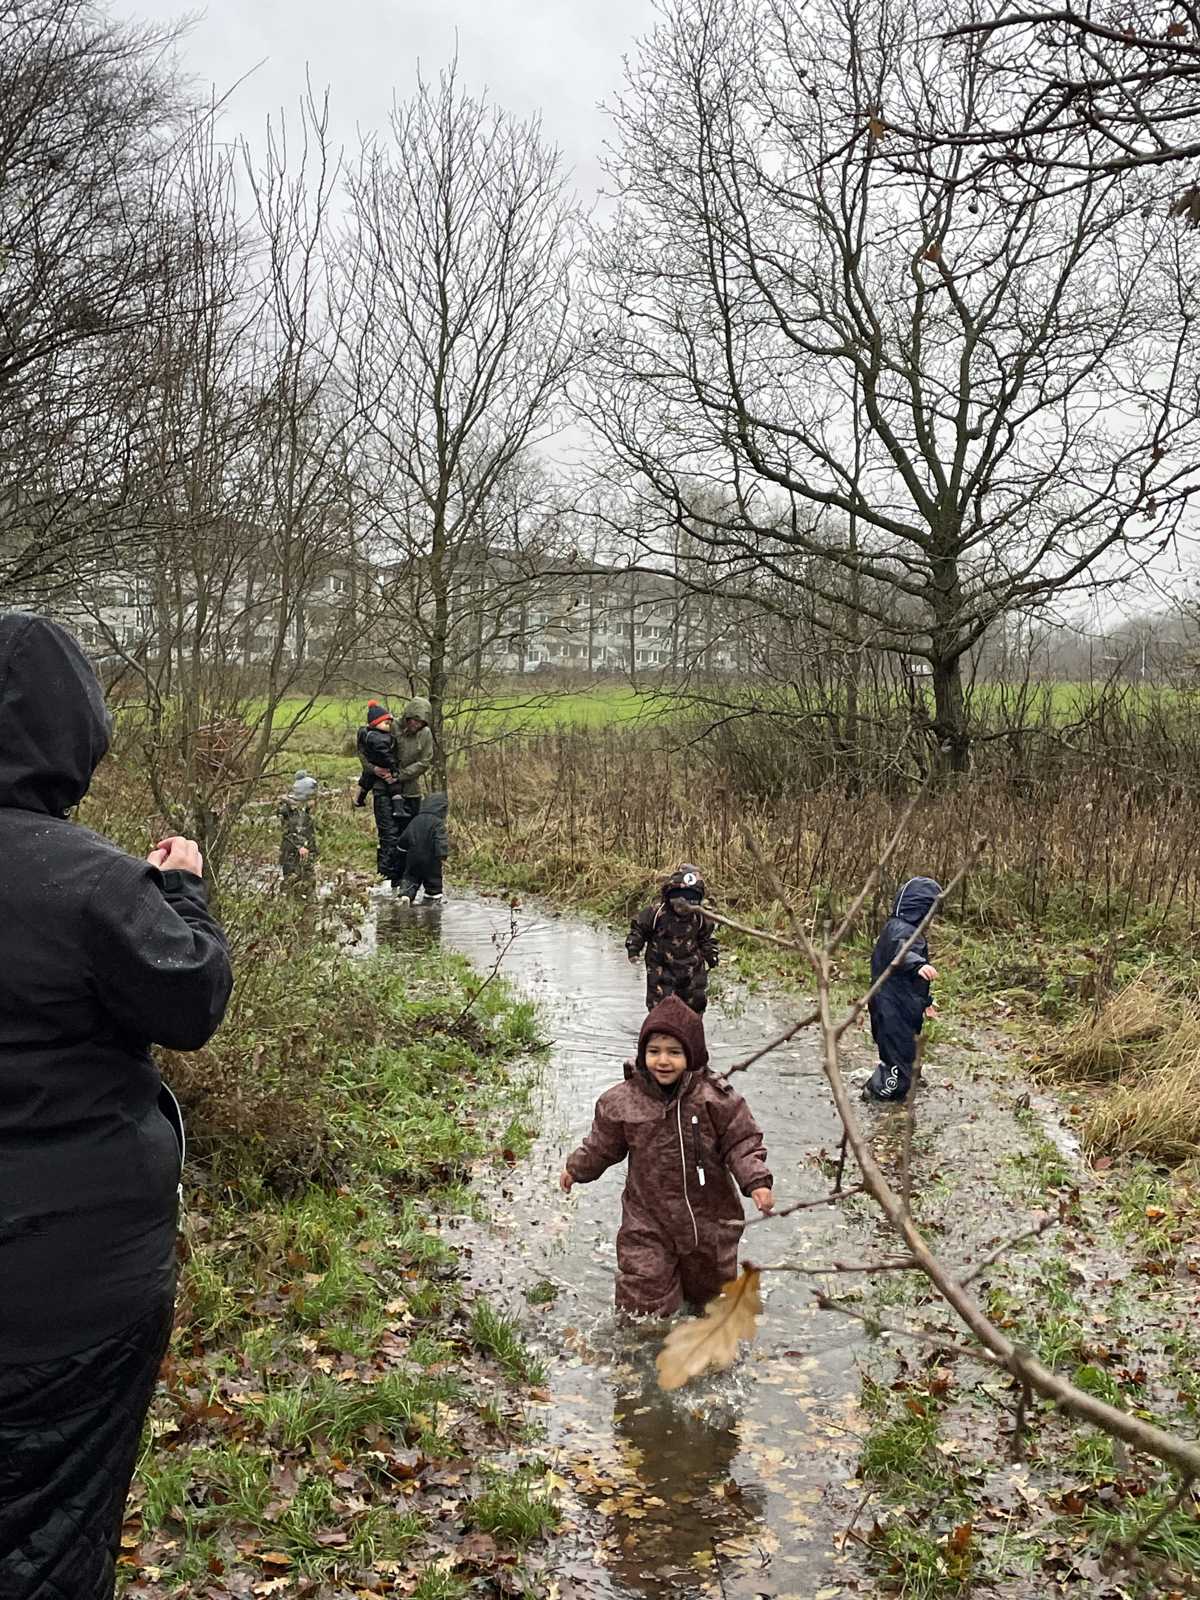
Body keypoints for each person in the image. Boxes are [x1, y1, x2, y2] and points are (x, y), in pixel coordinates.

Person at [0, 613, 233, 1600]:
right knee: (53, 1531)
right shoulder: (96, 884)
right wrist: (180, 892)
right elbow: (191, 999)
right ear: (77, 734)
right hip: (74, 1290)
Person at [559, 996, 773, 1318]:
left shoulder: (714, 1098)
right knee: (642, 1293)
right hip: (648, 1217)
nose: (663, 1061)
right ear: (642, 1054)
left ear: (692, 1054)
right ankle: (641, 1338)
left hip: (708, 1216)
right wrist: (577, 1168)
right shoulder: (623, 1102)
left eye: (674, 1052)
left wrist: (756, 1181)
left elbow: (741, 1141)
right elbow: (601, 1145)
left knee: (711, 1297)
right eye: (654, 1051)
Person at [862, 876, 942, 1104]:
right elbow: (901, 952)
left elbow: (908, 979)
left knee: (905, 1054)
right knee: (897, 1069)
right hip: (892, 1011)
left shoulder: (903, 928)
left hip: (900, 1007)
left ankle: (900, 1081)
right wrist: (918, 964)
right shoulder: (901, 931)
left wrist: (925, 1003)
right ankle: (877, 1094)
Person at [626, 863, 719, 1015]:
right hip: (662, 969)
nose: (683, 905)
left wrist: (711, 955)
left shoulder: (700, 917)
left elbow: (706, 938)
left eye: (691, 900)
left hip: (692, 971)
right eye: (678, 898)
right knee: (661, 1006)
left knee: (695, 1003)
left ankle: (693, 1024)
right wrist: (633, 948)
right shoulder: (657, 913)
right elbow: (639, 928)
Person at [354, 700, 403, 887]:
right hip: (382, 789)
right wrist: (390, 768)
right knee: (388, 835)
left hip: (382, 785)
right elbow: (371, 761)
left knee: (392, 835)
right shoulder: (376, 739)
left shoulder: (369, 735)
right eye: (385, 723)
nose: (388, 725)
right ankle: (386, 876)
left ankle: (391, 876)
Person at [390, 697, 435, 883]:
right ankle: (391, 874)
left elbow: (425, 761)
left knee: (412, 835)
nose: (416, 724)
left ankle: (410, 874)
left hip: (412, 790)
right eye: (414, 720)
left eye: (421, 721)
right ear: (407, 716)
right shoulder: (393, 727)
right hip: (390, 789)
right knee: (390, 835)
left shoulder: (425, 734)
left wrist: (402, 775)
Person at [396, 792, 449, 906]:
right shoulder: (438, 823)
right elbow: (440, 839)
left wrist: (401, 849)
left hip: (413, 857)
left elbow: (405, 837)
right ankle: (431, 902)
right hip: (431, 860)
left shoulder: (415, 820)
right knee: (433, 882)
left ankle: (406, 895)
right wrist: (442, 855)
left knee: (410, 878)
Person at [279, 770, 319, 887]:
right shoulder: (296, 812)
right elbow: (291, 832)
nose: (314, 802)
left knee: (306, 881)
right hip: (294, 853)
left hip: (303, 852)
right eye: (312, 797)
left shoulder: (303, 810)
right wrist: (300, 847)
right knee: (293, 881)